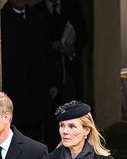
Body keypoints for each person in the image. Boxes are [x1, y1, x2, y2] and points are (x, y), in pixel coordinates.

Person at [32, 0, 89, 150]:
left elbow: (84, 36)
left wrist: (73, 49)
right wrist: (51, 45)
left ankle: (74, 151)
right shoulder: (36, 11)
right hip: (46, 73)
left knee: (73, 112)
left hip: (70, 71)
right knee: (51, 117)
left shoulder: (73, 7)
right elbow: (35, 42)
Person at [0, 0, 58, 144]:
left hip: (36, 88)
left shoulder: (37, 17)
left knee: (36, 133)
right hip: (13, 88)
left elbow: (46, 52)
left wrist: (52, 81)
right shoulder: (1, 18)